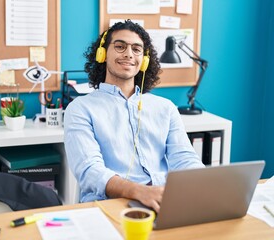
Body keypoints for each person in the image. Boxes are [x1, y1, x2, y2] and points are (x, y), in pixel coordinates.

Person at [64, 20, 204, 212]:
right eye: (120, 46)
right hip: (108, 205)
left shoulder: (165, 108)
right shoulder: (80, 108)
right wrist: (140, 192)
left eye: (137, 49)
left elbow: (184, 159)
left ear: (144, 61)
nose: (129, 54)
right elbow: (90, 171)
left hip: (162, 201)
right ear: (103, 54)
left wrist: (206, 186)